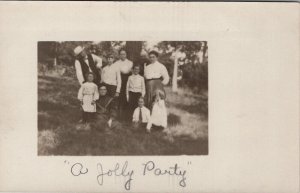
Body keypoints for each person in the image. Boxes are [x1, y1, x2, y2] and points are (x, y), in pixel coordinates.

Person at [113, 49, 133, 121]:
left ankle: (126, 117)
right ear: (119, 55)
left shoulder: (130, 63)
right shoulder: (116, 63)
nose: (122, 55)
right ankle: (119, 117)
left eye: (124, 54)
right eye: (121, 54)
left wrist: (124, 71)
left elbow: (128, 72)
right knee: (120, 99)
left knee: (127, 98)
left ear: (126, 54)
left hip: (127, 81)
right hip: (119, 81)